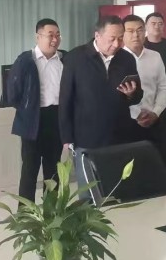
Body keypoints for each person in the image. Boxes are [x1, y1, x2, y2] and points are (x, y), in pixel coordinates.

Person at [59, 15, 143, 199]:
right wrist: (67, 137)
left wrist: (132, 94)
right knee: (89, 192)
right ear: (97, 35)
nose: (117, 44)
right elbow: (65, 99)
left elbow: (138, 96)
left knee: (116, 190)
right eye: (112, 39)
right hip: (86, 136)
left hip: (118, 135)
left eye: (120, 38)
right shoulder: (75, 58)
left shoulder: (126, 59)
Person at [8, 19, 64, 203]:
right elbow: (12, 94)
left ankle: (51, 210)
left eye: (58, 35)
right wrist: (27, 109)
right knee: (29, 169)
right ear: (38, 37)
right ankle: (26, 213)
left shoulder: (64, 59)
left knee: (53, 170)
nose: (55, 39)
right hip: (33, 120)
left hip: (56, 119)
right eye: (50, 35)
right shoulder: (25, 60)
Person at [122, 14, 166, 152]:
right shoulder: (116, 59)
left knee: (156, 158)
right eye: (130, 31)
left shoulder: (155, 56)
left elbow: (163, 87)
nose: (136, 35)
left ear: (145, 32)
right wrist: (137, 114)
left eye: (140, 30)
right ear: (122, 34)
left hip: (153, 119)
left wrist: (156, 112)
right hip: (126, 121)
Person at [144, 12, 166, 171]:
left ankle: (164, 163)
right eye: (153, 23)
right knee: (144, 130)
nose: (157, 26)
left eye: (160, 23)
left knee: (162, 130)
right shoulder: (141, 44)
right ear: (146, 26)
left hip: (164, 94)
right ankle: (147, 164)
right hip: (144, 95)